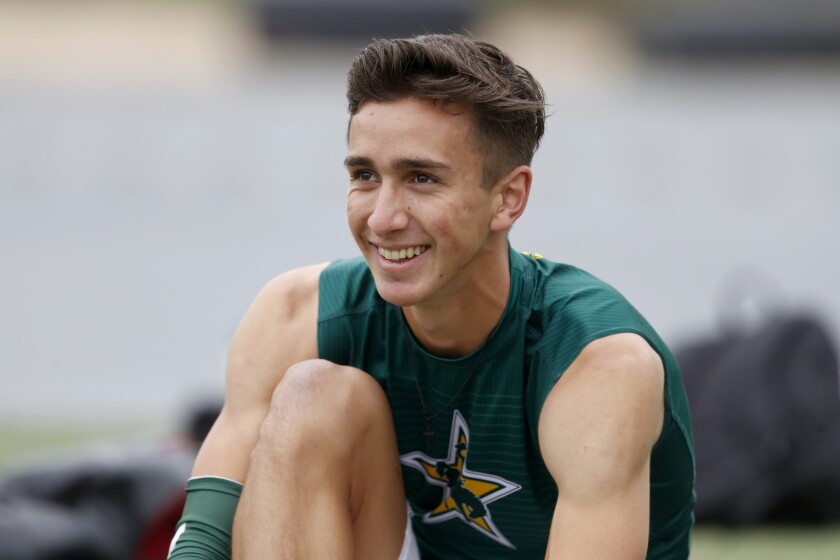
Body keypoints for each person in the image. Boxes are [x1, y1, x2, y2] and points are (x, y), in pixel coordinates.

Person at [168, 34, 695, 560]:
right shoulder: (296, 315)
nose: (381, 219)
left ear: (507, 198)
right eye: (365, 176)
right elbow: (203, 542)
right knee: (315, 395)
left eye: (421, 178)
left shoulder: (596, 363)